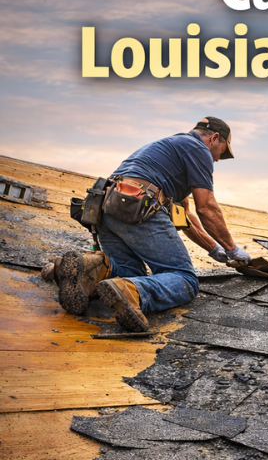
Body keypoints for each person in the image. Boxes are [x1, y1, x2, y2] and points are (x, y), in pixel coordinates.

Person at [56, 117, 250, 332]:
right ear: (214, 138)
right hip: (137, 205)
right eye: (220, 153)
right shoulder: (197, 149)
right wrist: (233, 249)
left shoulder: (168, 150)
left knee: (132, 272)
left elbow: (184, 216)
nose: (217, 160)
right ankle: (132, 292)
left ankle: (93, 268)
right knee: (185, 280)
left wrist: (215, 249)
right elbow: (206, 207)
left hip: (105, 208)